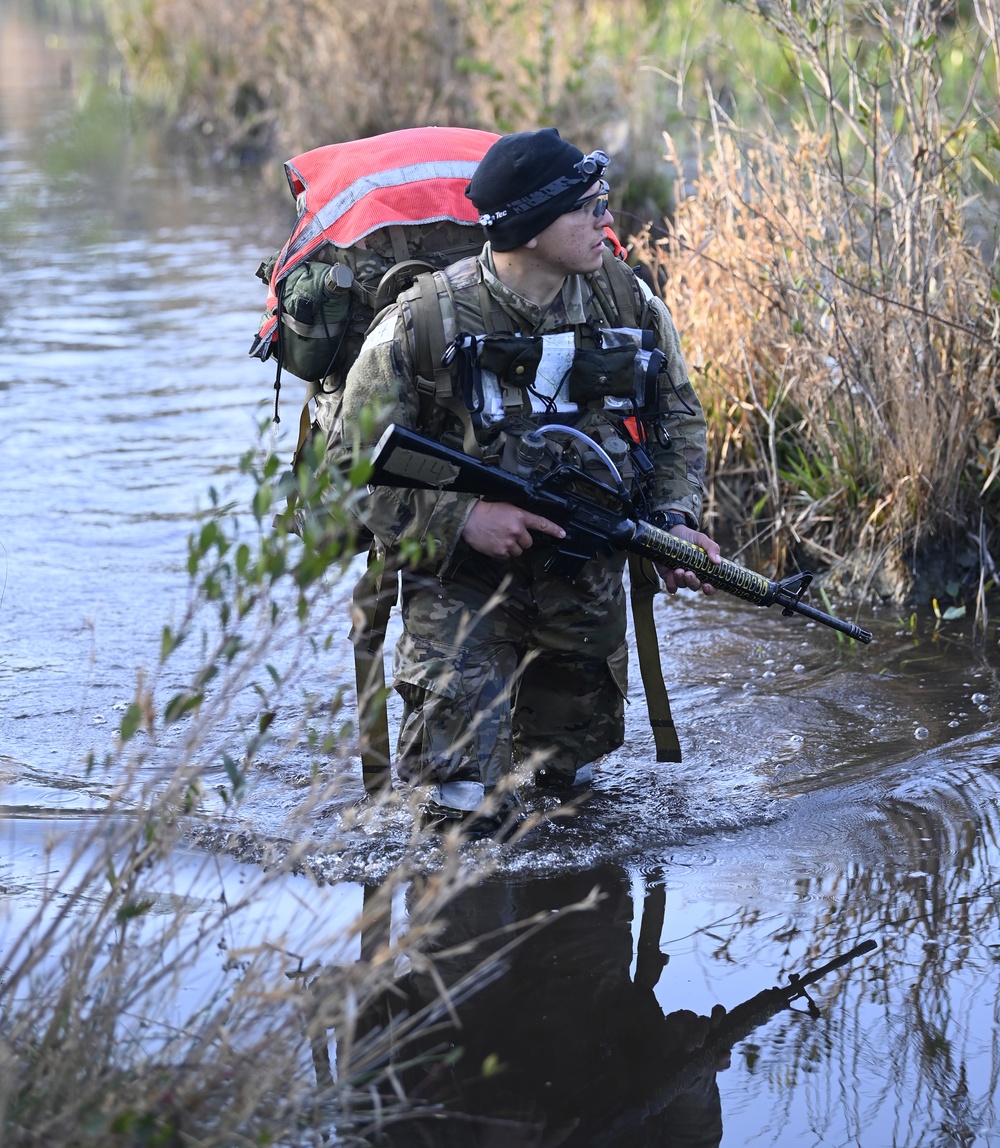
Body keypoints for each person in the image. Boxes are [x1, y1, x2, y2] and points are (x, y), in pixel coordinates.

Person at [340, 128, 720, 833]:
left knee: (571, 805)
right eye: (588, 207)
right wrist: (462, 519)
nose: (607, 218)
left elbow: (679, 424)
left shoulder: (629, 305)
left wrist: (671, 522)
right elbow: (346, 476)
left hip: (583, 585)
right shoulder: (421, 325)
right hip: (460, 591)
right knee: (463, 817)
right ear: (530, 227)